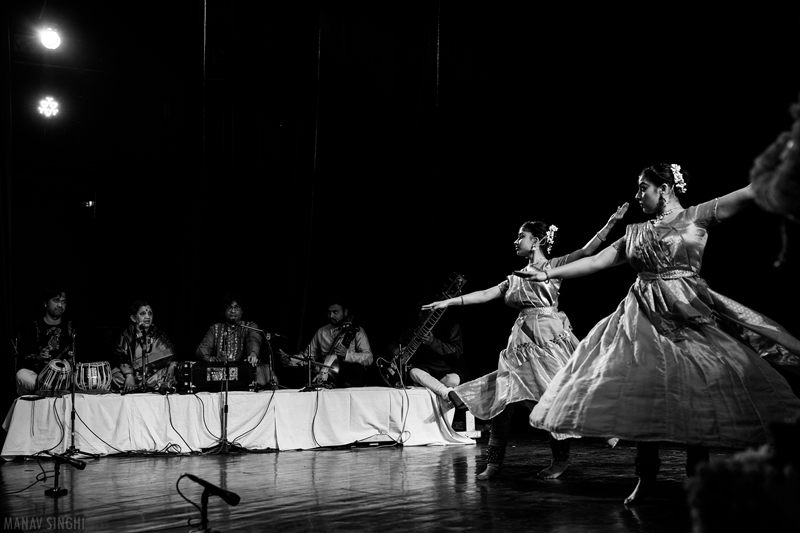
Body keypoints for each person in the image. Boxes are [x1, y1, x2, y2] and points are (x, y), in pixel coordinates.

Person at [522, 163, 800, 504]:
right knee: (646, 391)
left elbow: (746, 194)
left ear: (664, 188)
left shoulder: (697, 216)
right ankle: (646, 477)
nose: (638, 195)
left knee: (698, 390)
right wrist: (550, 274)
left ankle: (698, 476)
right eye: (639, 189)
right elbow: (599, 261)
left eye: (643, 188)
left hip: (687, 312)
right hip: (642, 315)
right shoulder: (636, 231)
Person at [422, 203, 628, 480]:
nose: (516, 240)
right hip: (520, 346)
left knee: (555, 398)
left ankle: (576, 449)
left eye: (521, 236)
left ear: (537, 241)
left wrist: (610, 224)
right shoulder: (514, 278)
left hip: (549, 340)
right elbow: (484, 294)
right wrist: (449, 301)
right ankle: (494, 463)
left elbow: (587, 252)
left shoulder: (554, 267)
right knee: (503, 402)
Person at [278, 299, 373, 389]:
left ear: (345, 312)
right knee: (295, 374)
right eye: (329, 312)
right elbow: (308, 356)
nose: (331, 316)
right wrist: (290, 359)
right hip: (326, 372)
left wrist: (347, 355)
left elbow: (369, 358)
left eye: (335, 312)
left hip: (346, 372)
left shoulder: (356, 330)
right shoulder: (322, 332)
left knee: (357, 370)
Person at [385, 297, 464, 401]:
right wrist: (395, 351)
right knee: (414, 372)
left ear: (433, 311)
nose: (419, 316)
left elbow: (457, 351)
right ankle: (445, 392)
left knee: (453, 380)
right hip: (424, 370)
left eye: (423, 312)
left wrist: (432, 342)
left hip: (445, 368)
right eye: (419, 312)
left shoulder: (450, 326)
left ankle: (431, 388)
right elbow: (391, 345)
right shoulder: (414, 328)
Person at [195, 292, 277, 388]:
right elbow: (201, 349)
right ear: (224, 310)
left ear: (242, 311)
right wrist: (211, 359)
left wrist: (253, 354)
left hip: (244, 374)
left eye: (236, 308)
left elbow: (253, 339)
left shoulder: (250, 326)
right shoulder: (215, 328)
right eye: (229, 307)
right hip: (220, 376)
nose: (233, 311)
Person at [14, 289, 73, 395]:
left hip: (66, 378)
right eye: (56, 300)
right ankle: (50, 388)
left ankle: (52, 389)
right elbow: (23, 357)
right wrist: (38, 357)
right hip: (39, 378)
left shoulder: (72, 327)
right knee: (22, 375)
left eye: (63, 302)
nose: (60, 305)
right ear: (45, 303)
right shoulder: (31, 327)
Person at [112, 300, 178, 393]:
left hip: (153, 376)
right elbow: (121, 358)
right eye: (142, 314)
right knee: (114, 376)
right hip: (133, 375)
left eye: (150, 313)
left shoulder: (159, 334)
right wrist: (129, 375)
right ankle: (139, 385)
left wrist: (172, 366)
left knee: (170, 374)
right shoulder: (126, 336)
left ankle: (147, 386)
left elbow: (171, 356)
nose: (147, 317)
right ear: (133, 318)